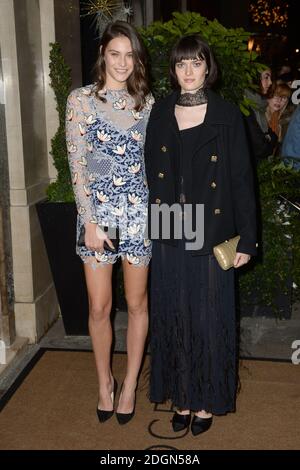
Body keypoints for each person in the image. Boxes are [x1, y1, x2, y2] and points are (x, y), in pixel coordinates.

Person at [145, 35, 257, 436]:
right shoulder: (159, 112)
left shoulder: (227, 115)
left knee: (208, 319)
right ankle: (183, 396)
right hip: (171, 225)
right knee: (175, 316)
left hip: (211, 228)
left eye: (196, 63)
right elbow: (148, 174)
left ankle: (207, 400)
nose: (189, 71)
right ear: (173, 71)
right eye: (181, 64)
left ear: (208, 67)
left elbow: (244, 180)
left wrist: (247, 238)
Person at [66, 21, 154, 425]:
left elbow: (152, 166)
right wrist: (89, 220)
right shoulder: (81, 100)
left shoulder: (148, 102)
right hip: (98, 219)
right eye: (115, 53)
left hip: (138, 216)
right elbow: (79, 164)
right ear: (103, 53)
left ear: (136, 58)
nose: (122, 62)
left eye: (129, 54)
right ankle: (105, 383)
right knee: (99, 307)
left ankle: (132, 383)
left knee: (137, 305)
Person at [244, 67, 278, 161]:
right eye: (266, 77)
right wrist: (270, 139)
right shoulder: (245, 105)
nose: (270, 82)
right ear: (255, 79)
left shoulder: (259, 104)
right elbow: (261, 148)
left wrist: (270, 138)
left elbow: (273, 136)